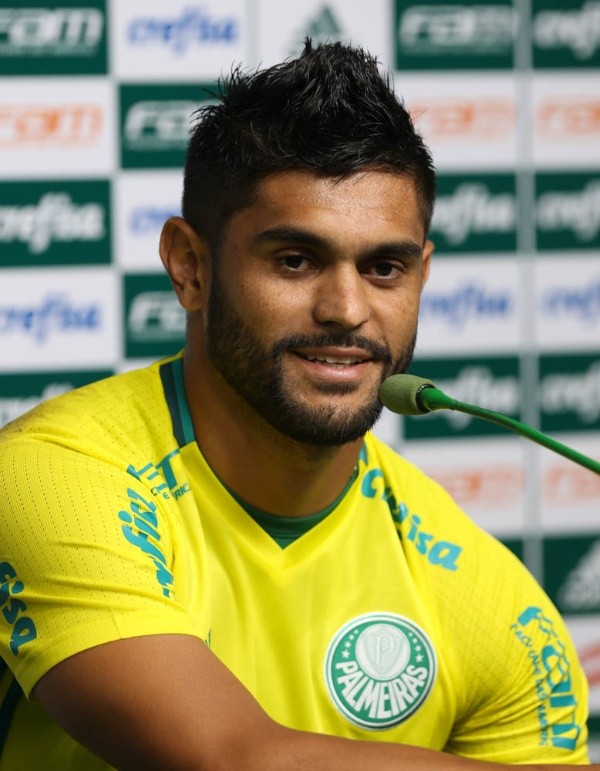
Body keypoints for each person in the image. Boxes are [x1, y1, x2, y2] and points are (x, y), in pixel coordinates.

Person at [0, 40, 593, 770]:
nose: (347, 309)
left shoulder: (492, 600)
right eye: (295, 260)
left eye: (384, 267)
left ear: (422, 275)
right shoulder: (50, 476)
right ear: (190, 266)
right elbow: (229, 759)